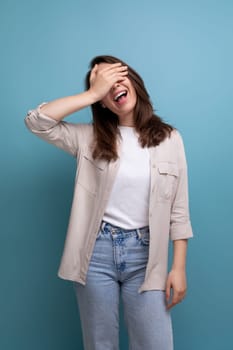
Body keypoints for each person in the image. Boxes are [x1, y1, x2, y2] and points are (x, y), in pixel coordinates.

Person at [24, 55, 193, 350]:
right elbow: (36, 122)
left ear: (133, 81)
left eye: (118, 76)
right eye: (103, 83)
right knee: (100, 344)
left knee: (155, 344)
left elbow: (179, 210)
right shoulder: (88, 138)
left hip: (146, 256)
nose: (112, 85)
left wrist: (178, 268)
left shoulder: (170, 139)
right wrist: (90, 93)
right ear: (102, 101)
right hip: (95, 254)